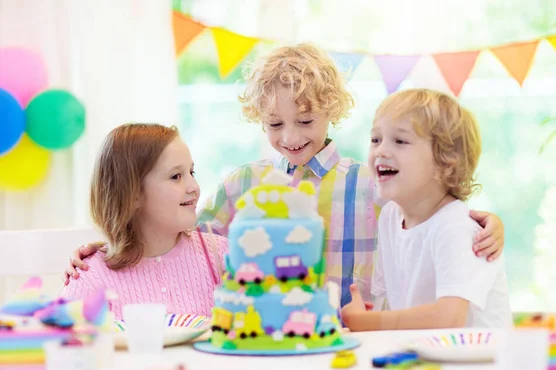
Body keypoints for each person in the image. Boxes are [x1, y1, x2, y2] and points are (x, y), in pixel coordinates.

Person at [63, 44, 504, 307]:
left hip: (362, 336)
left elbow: (427, 216)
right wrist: (111, 247)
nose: (290, 137)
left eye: (306, 121)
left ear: (332, 111)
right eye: (275, 125)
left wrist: (480, 220)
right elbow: (179, 243)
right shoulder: (242, 186)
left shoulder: (372, 183)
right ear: (259, 120)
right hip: (273, 343)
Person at [342, 89, 512, 330]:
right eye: (376, 139)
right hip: (427, 358)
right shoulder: (391, 216)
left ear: (445, 162)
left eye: (400, 141)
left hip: (480, 363)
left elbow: (449, 318)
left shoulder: (455, 227)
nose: (380, 151)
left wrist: (367, 322)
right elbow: (391, 302)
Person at [60, 123, 227, 320]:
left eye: (192, 172)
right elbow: (65, 342)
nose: (194, 186)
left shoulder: (223, 257)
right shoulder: (89, 277)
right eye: (176, 176)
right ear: (133, 194)